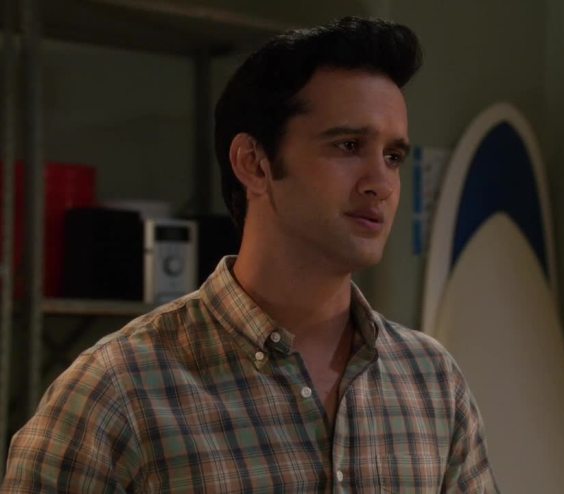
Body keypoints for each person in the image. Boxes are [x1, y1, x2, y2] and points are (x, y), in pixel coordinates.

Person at [2, 17, 497, 492]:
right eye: (348, 145)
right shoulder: (117, 392)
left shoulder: (431, 381)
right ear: (254, 164)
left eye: (392, 157)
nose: (381, 184)